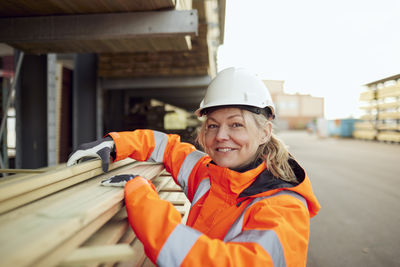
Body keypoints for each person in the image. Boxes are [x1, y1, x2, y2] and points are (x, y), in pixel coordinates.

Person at [67, 67, 321, 266]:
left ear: (264, 132)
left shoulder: (283, 208)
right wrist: (115, 144)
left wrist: (141, 196)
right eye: (212, 125)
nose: (221, 136)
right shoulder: (211, 174)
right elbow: (167, 147)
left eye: (235, 124)